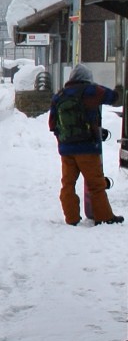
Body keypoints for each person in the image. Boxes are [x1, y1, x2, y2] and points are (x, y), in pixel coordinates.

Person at [47, 63, 124, 225]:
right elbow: (114, 97)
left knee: (68, 184)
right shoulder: (91, 91)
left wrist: (64, 140)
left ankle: (71, 218)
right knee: (95, 184)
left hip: (66, 150)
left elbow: (52, 125)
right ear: (87, 78)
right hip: (87, 148)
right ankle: (104, 217)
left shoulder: (59, 96)